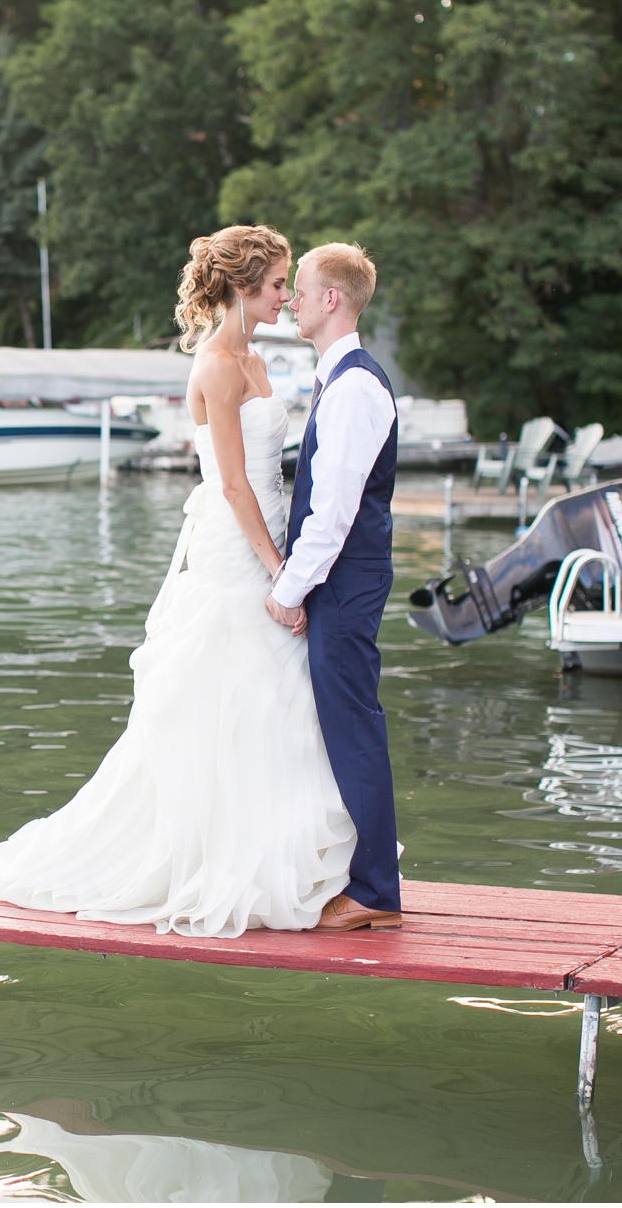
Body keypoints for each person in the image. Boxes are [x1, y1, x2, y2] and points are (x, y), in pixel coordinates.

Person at [0, 225, 356, 937]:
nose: (285, 296)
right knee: (227, 692)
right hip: (237, 548)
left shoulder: (256, 359)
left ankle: (273, 849)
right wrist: (282, 573)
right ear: (246, 286)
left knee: (273, 699)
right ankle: (209, 856)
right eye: (277, 284)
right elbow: (235, 485)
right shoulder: (215, 364)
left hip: (268, 535)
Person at [264, 242, 402, 931]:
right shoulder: (339, 379)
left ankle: (377, 888)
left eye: (300, 288)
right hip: (342, 580)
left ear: (330, 300)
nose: (289, 299)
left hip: (345, 582)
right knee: (345, 726)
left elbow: (334, 511)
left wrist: (289, 589)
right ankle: (363, 873)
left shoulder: (354, 388)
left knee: (353, 730)